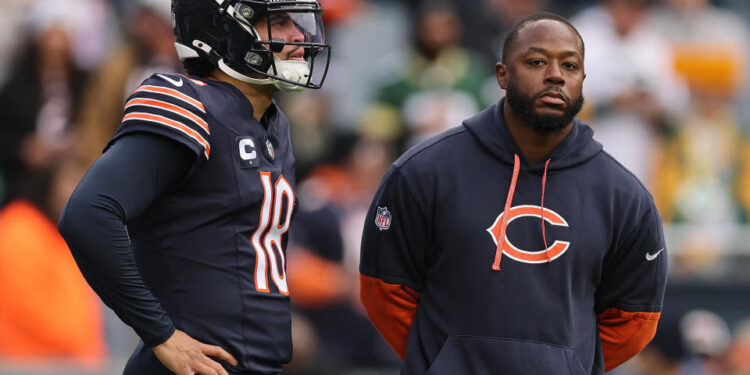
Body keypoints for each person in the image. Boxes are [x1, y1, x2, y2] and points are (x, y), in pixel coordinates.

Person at [359, 12, 667, 374]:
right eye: (536, 62)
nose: (555, 75)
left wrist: (564, 365)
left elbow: (636, 318)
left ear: (582, 80)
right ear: (502, 75)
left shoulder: (624, 196)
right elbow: (383, 290)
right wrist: (445, 360)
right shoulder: (424, 171)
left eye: (569, 65)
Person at [58, 0, 331, 374]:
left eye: (297, 22)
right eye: (279, 22)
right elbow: (88, 214)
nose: (299, 36)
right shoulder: (187, 101)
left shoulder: (274, 123)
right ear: (222, 31)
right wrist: (161, 334)